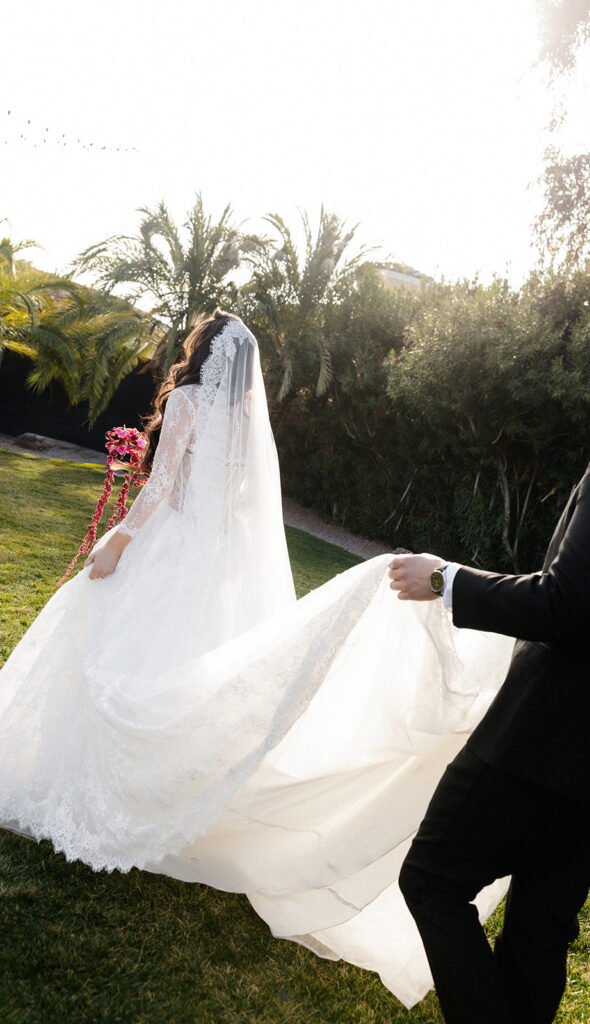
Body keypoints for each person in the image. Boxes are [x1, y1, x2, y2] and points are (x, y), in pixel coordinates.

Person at [1, 308, 514, 1008]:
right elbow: (238, 496)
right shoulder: (245, 416)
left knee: (112, 651)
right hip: (211, 562)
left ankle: (98, 781)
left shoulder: (188, 398)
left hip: (170, 545)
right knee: (195, 669)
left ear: (203, 350)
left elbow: (162, 485)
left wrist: (119, 538)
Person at [388, 289, 590, 1024]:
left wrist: (447, 580)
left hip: (545, 739)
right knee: (539, 931)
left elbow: (566, 603)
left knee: (433, 880)